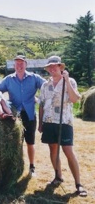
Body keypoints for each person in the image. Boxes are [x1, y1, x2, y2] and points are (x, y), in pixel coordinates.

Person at [38, 56, 87, 197]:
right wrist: (40, 123)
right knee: (53, 149)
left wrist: (66, 80)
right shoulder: (45, 85)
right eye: (50, 67)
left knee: (68, 151)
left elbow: (74, 99)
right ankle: (58, 176)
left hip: (64, 122)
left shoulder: (70, 81)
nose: (52, 69)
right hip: (49, 121)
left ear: (61, 67)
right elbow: (41, 105)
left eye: (55, 66)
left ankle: (78, 184)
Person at [0, 55, 46, 177]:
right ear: (14, 66)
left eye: (21, 63)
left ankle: (32, 166)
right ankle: (15, 167)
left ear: (26, 64)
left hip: (29, 115)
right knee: (16, 142)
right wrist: (3, 100)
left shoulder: (34, 78)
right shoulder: (8, 79)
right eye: (17, 63)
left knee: (30, 142)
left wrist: (40, 100)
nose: (19, 65)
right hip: (14, 116)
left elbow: (47, 87)